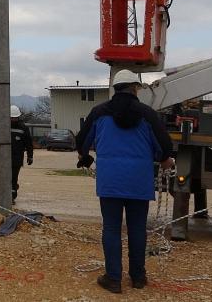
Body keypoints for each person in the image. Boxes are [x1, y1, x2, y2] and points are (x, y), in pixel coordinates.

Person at [75, 69, 174, 294]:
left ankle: (113, 278)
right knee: (137, 229)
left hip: (110, 181)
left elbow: (82, 142)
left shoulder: (99, 112)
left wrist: (85, 156)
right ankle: (138, 277)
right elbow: (164, 148)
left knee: (111, 228)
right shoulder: (148, 114)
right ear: (135, 88)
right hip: (139, 182)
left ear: (115, 88)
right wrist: (164, 159)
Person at [9, 105, 33, 202]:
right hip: (5, 158)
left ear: (18, 117)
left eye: (15, 118)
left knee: (14, 177)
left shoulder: (23, 128)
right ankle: (7, 192)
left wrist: (30, 156)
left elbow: (28, 143)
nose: (13, 120)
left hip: (17, 158)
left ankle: (12, 196)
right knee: (5, 177)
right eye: (11, 118)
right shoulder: (3, 126)